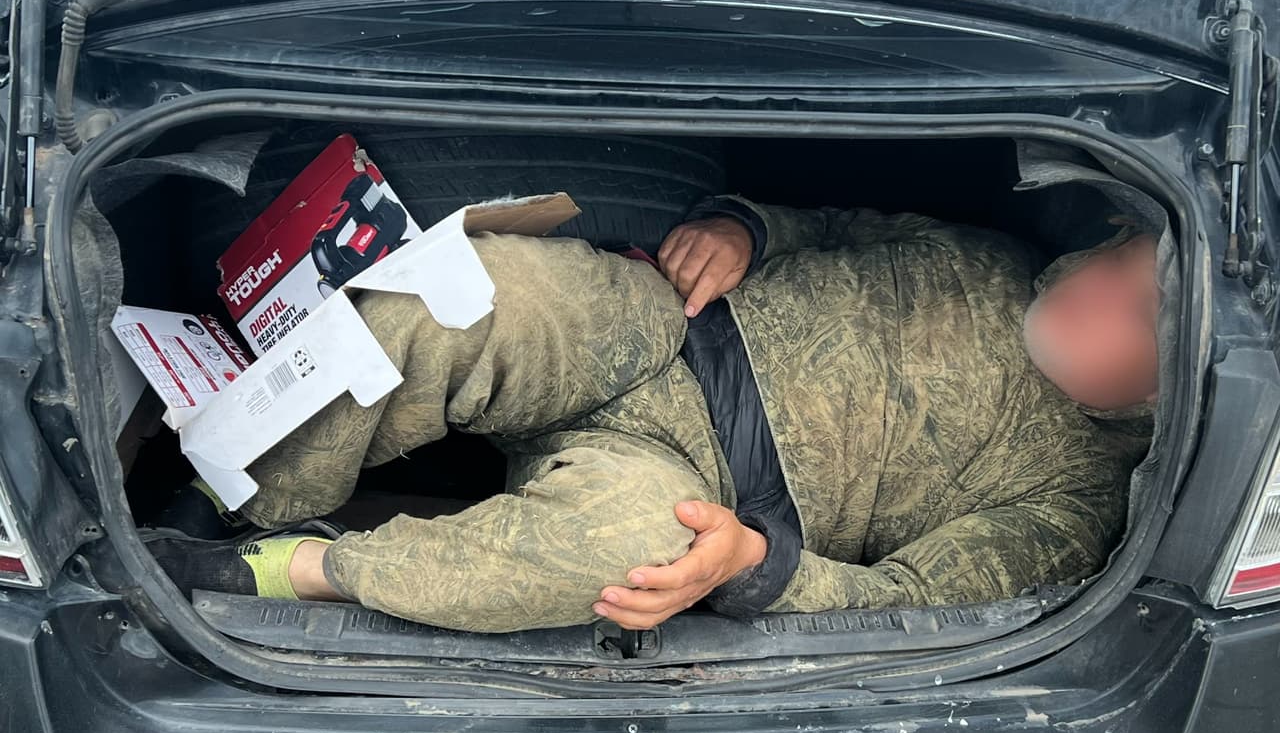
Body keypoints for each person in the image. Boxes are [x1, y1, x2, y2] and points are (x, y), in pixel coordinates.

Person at [149, 195, 1160, 634]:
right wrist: (745, 230)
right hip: (660, 322)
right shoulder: (999, 255)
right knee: (461, 292)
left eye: (1144, 311)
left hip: (696, 484)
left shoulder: (1073, 498)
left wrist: (750, 565)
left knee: (631, 559)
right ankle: (234, 486)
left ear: (1170, 379)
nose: (1099, 289)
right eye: (1121, 258)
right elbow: (833, 222)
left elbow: (911, 605)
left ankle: (288, 569)